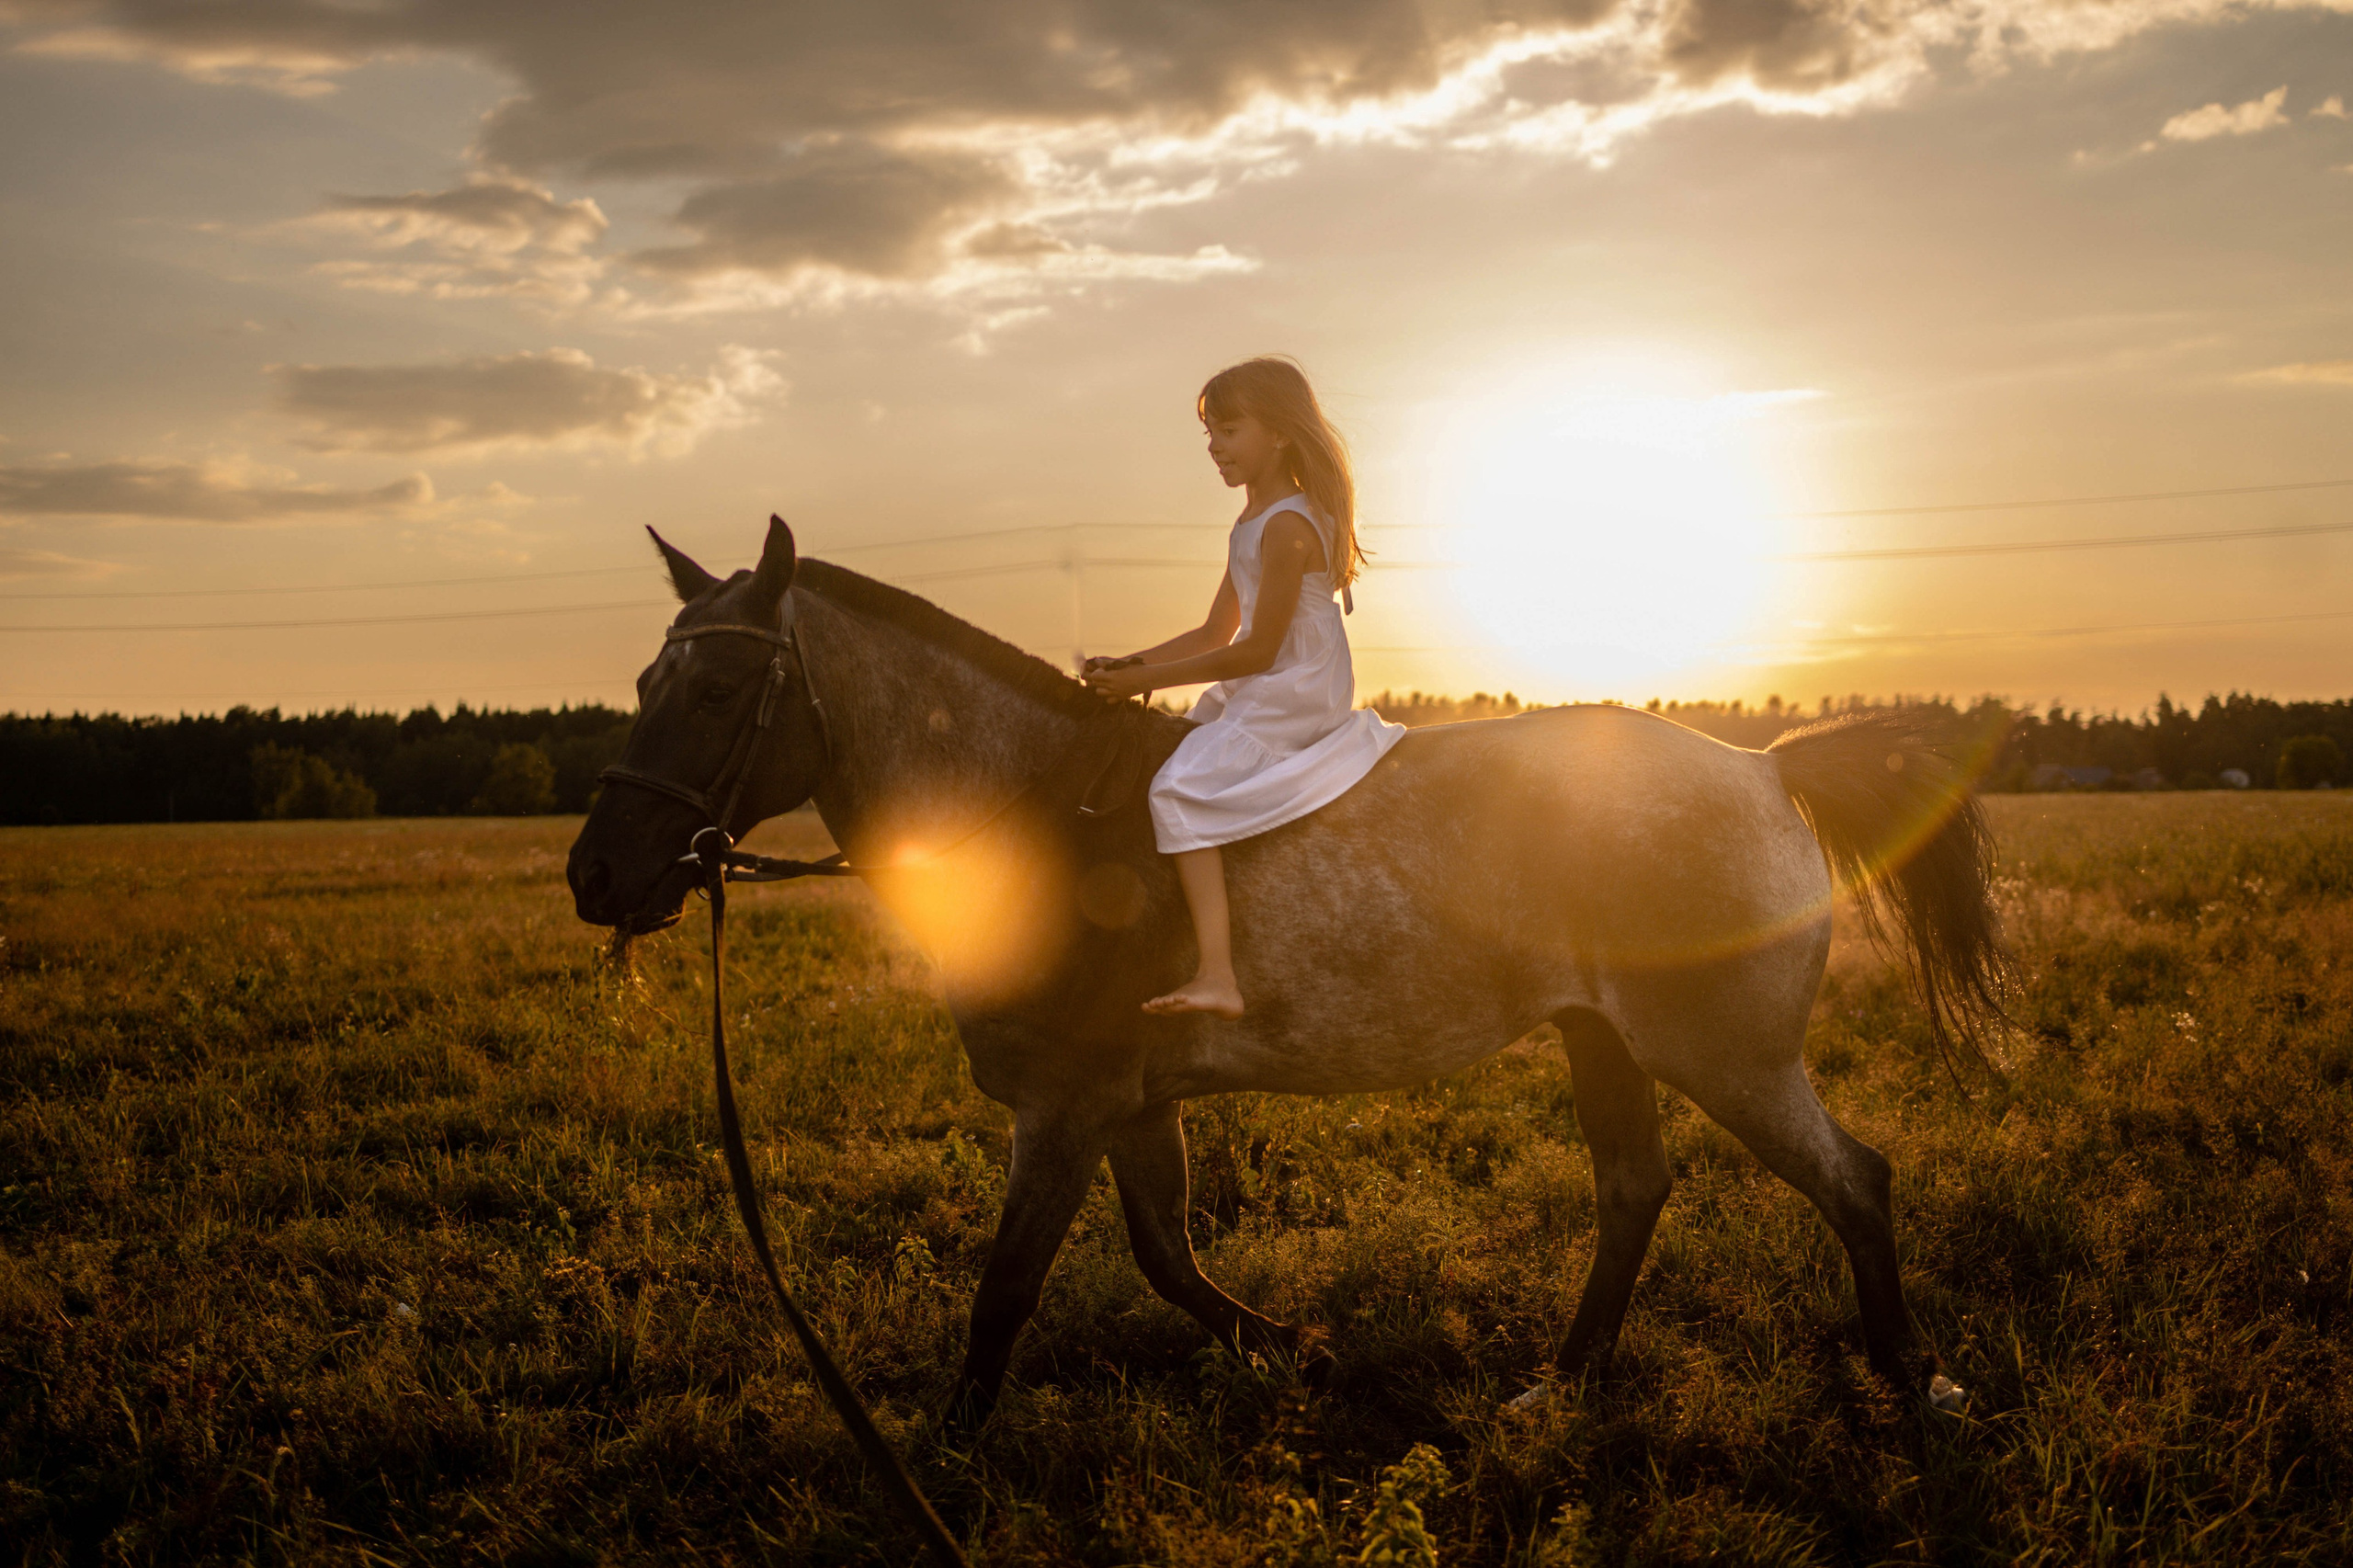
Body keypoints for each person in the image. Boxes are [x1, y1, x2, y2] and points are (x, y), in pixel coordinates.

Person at [1083, 357, 1406, 1017]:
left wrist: (1146, 681)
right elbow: (1212, 634)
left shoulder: (1288, 524)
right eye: (1210, 435)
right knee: (1171, 756)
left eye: (1229, 431)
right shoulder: (1250, 523)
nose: (1215, 449)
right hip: (1268, 680)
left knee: (1176, 790)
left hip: (1296, 686)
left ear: (1280, 434)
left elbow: (1256, 650)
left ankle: (1219, 976)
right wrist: (1130, 665)